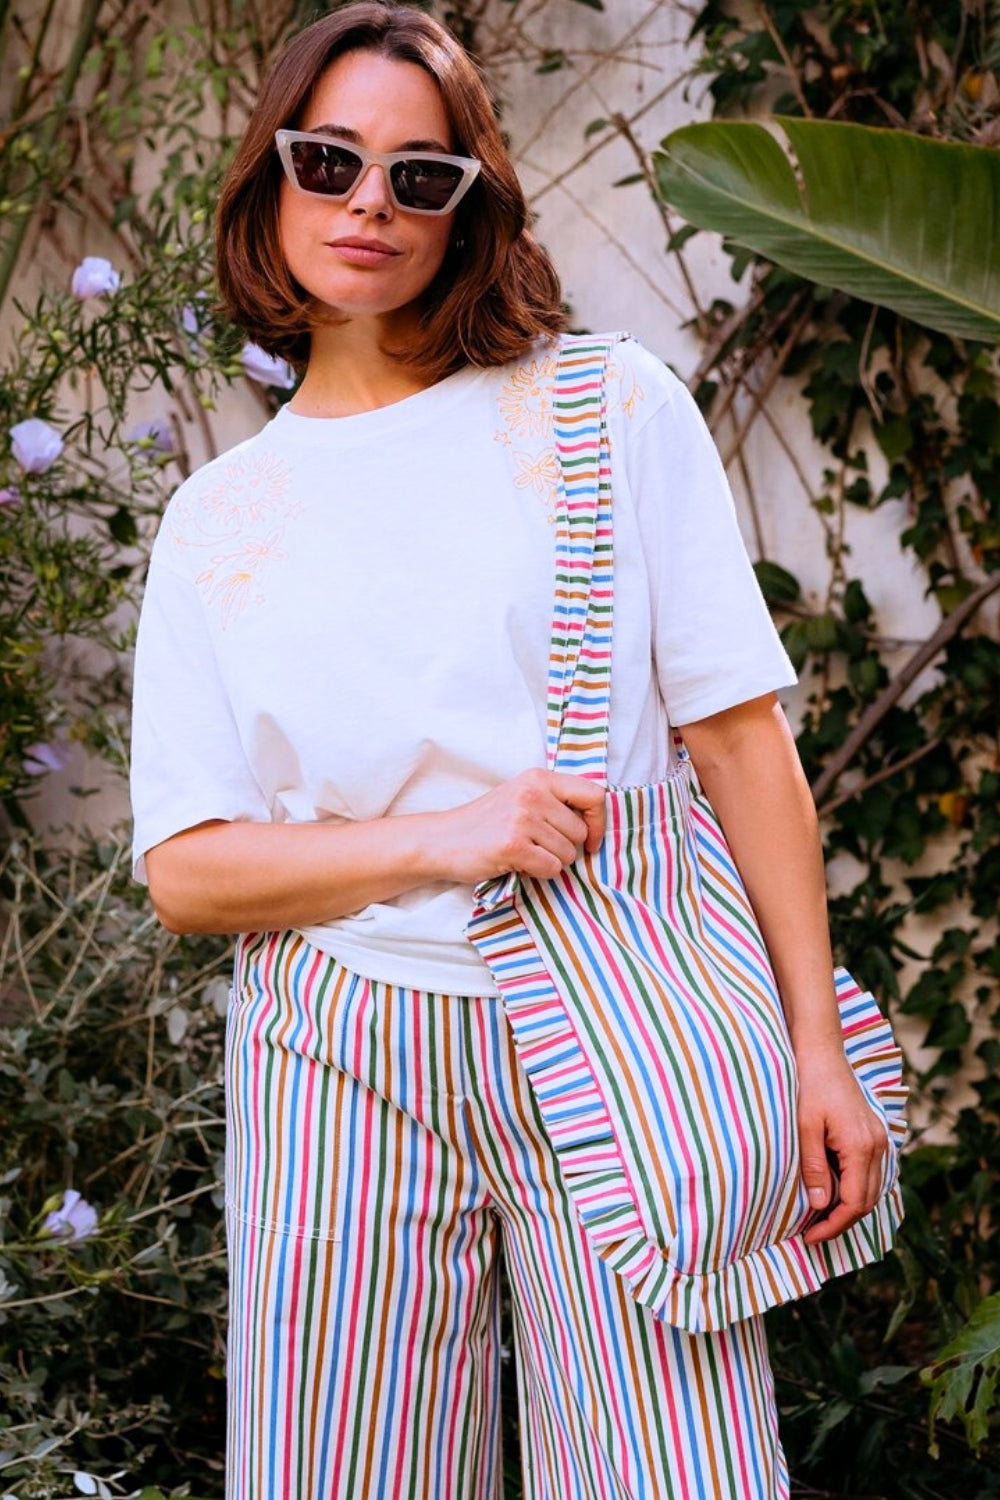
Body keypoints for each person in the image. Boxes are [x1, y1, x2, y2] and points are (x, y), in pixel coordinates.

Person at [130, 4, 890, 1496]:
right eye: (331, 159)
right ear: (269, 175)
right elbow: (189, 873)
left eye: (422, 177)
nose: (369, 204)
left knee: (675, 1475)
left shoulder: (607, 412)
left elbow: (741, 742)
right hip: (335, 1049)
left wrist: (817, 1045)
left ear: (470, 205)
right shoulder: (217, 521)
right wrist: (445, 837)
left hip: (618, 1023)